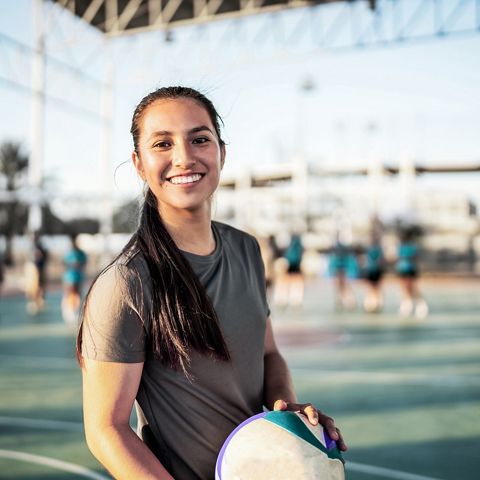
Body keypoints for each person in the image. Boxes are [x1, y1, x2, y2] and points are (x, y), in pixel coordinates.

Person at [77, 86, 347, 480]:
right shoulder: (126, 283)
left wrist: (286, 416)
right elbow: (105, 430)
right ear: (138, 163)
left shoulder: (246, 250)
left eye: (199, 139)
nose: (184, 157)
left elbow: (268, 354)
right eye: (162, 144)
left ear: (222, 152)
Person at [396, 227, 428, 319]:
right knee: (406, 288)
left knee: (412, 287)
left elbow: (413, 258)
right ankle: (407, 305)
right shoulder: (403, 246)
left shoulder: (410, 246)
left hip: (409, 269)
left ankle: (420, 305)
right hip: (404, 269)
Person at [62, 234, 88, 324]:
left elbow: (84, 263)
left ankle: (77, 311)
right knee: (68, 293)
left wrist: (78, 266)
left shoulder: (81, 253)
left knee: (78, 294)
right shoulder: (68, 253)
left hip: (78, 277)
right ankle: (68, 311)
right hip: (69, 278)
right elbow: (64, 264)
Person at [25, 232, 48, 314]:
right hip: (33, 269)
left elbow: (44, 256)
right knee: (33, 286)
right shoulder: (31, 247)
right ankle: (33, 302)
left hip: (39, 268)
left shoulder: (40, 246)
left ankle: (40, 300)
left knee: (41, 285)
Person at [362, 231, 385, 313]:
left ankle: (376, 303)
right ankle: (372, 303)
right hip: (371, 270)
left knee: (375, 287)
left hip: (375, 270)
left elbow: (381, 260)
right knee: (372, 287)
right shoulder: (371, 248)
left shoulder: (377, 248)